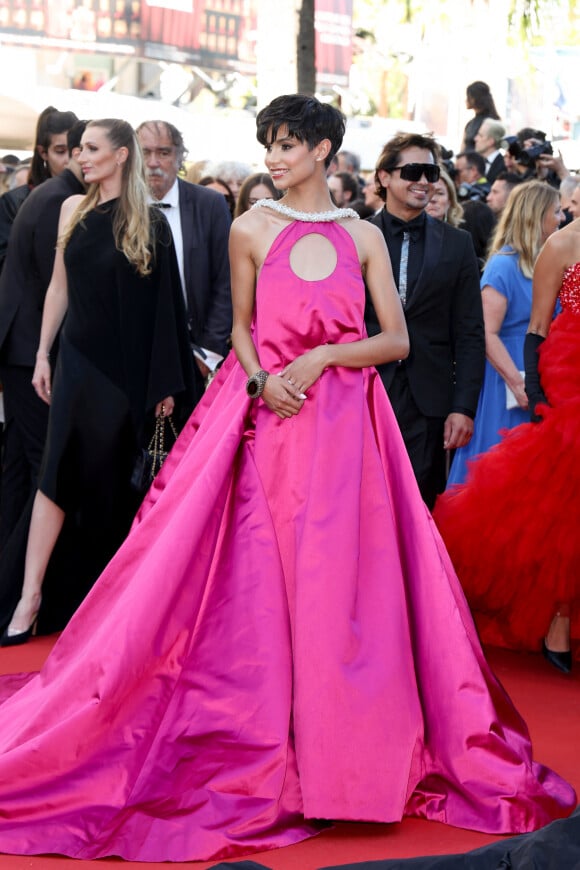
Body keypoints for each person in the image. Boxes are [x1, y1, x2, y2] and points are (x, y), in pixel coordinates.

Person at [0, 95, 573, 863]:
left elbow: (393, 340)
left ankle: (342, 745)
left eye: (290, 145)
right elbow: (237, 327)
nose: (275, 157)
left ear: (326, 152)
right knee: (255, 582)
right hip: (268, 426)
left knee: (340, 587)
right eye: (269, 143)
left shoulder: (361, 235)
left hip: (347, 436)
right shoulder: (250, 227)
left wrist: (324, 357)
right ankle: (264, 732)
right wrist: (263, 376)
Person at [0, 118, 197, 645]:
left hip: (125, 376)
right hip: (77, 365)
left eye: (91, 148)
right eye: (79, 149)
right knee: (54, 477)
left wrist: (164, 387)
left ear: (121, 155)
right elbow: (58, 290)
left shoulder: (149, 223)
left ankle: (101, 604)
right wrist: (43, 354)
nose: (79, 157)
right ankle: (30, 596)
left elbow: (164, 313)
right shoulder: (71, 209)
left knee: (110, 486)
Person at [434, 215, 580, 671]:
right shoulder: (562, 244)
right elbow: (537, 328)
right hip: (570, 378)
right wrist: (537, 394)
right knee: (563, 506)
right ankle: (557, 619)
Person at [365, 132, 485, 508]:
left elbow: (469, 331)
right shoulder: (353, 236)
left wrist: (463, 406)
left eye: (431, 172)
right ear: (384, 177)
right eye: (413, 170)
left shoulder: (457, 243)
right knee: (362, 499)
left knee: (416, 506)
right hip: (363, 389)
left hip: (429, 400)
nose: (424, 181)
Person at [0, 122, 87, 632]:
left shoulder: (52, 194)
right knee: (40, 475)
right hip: (35, 352)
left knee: (18, 474)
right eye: (85, 149)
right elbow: (57, 287)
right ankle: (19, 597)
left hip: (22, 349)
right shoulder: (64, 201)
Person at [447, 181, 563, 486]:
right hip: (508, 380)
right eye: (556, 210)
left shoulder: (549, 265)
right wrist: (518, 383)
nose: (561, 218)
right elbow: (486, 333)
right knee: (500, 468)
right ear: (537, 215)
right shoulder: (504, 265)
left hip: (541, 380)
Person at [136, 121, 233, 382]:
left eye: (164, 153)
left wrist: (208, 353)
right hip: (132, 352)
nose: (154, 162)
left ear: (180, 158)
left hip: (192, 351)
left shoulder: (209, 205)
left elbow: (227, 281)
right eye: (145, 152)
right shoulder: (118, 206)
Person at [0, 106, 78, 276]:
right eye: (60, 151)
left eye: (75, 150)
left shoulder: (93, 198)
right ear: (43, 152)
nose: (69, 160)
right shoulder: (13, 202)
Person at [461, 80, 500, 152]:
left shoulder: (490, 123)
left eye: (468, 96)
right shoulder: (470, 124)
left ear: (474, 99)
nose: (466, 100)